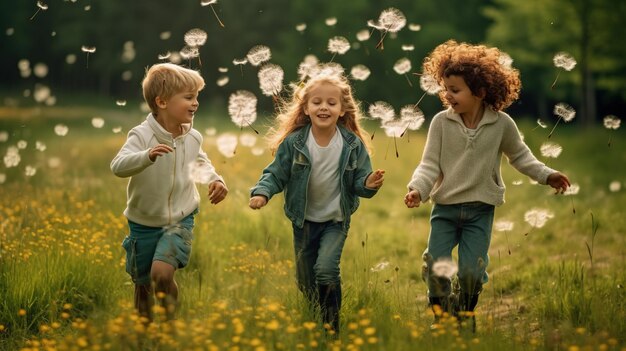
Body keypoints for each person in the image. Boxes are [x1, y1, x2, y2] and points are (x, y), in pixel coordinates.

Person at [404, 40, 571, 331]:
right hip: (445, 209)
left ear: (480, 92)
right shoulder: (441, 124)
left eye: (455, 90)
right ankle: (442, 318)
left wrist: (546, 174)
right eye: (445, 88)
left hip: (480, 210)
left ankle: (465, 317)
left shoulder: (502, 124)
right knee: (437, 268)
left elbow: (520, 156)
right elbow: (429, 164)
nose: (447, 95)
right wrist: (418, 189)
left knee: (471, 272)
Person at [249, 66, 385, 335]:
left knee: (325, 269)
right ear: (306, 108)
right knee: (305, 281)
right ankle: (312, 314)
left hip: (336, 219)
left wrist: (368, 184)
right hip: (303, 221)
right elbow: (276, 172)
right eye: (317, 102)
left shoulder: (352, 145)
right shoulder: (295, 143)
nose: (324, 107)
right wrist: (261, 192)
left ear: (342, 109)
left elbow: (360, 182)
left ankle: (331, 328)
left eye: (331, 103)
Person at [111, 63, 228, 322]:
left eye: (196, 96)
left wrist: (215, 179)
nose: (196, 103)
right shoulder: (141, 135)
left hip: (180, 218)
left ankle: (169, 326)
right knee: (143, 285)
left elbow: (199, 161)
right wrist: (146, 156)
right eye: (188, 97)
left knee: (161, 275)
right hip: (143, 222)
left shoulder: (193, 136)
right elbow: (117, 166)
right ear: (162, 102)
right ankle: (145, 331)